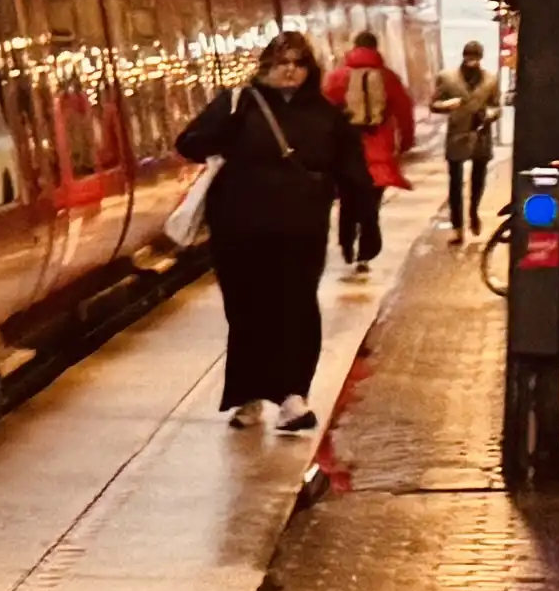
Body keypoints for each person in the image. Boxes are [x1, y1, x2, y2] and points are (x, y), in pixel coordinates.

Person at [174, 31, 360, 433]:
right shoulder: (237, 104)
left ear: (310, 69)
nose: (290, 70)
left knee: (298, 309)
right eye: (281, 62)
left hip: (300, 230)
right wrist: (223, 132)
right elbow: (187, 144)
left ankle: (293, 396)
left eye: (298, 63)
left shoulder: (326, 115)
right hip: (240, 230)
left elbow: (350, 168)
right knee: (248, 312)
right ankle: (249, 395)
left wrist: (362, 217)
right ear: (266, 67)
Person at [327, 32, 413, 269]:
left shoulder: (337, 77)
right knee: (371, 205)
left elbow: (324, 111)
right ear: (376, 49)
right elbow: (404, 112)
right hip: (379, 152)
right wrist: (405, 142)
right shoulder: (388, 78)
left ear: (354, 47)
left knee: (347, 200)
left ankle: (346, 243)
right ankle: (365, 253)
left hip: (346, 152)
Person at [437, 45, 503, 235]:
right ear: (463, 56)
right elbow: (434, 103)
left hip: (480, 134)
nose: (472, 62)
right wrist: (447, 105)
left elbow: (496, 106)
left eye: (476, 58)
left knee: (478, 180)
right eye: (469, 57)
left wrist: (490, 114)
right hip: (457, 134)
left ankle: (474, 212)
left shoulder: (490, 79)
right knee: (455, 184)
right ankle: (457, 225)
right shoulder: (447, 77)